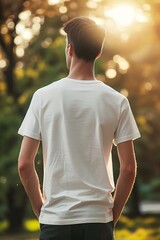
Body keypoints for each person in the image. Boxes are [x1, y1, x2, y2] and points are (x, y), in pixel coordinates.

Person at [18, 16, 140, 240]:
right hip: (98, 220)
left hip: (55, 220)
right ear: (98, 53)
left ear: (69, 49)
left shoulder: (43, 97)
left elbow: (25, 164)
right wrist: (112, 216)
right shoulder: (116, 101)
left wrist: (41, 210)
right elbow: (129, 169)